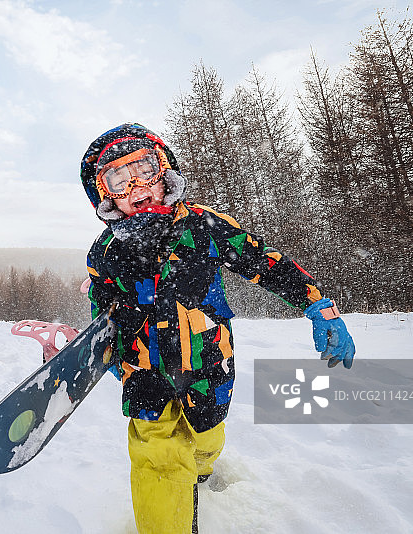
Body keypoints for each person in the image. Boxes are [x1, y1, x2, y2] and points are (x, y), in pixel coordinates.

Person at [79, 123, 355, 534]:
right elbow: (102, 310)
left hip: (211, 363)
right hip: (145, 373)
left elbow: (263, 262)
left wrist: (317, 305)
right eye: (119, 178)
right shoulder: (106, 252)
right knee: (158, 456)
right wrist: (100, 350)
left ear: (165, 169)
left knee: (207, 437)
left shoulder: (204, 226)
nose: (136, 185)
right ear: (105, 194)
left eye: (144, 168)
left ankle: (203, 467)